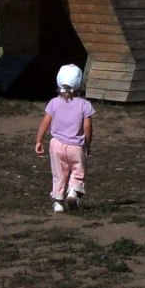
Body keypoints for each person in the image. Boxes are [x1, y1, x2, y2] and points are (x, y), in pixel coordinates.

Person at [33, 63, 94, 212]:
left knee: (59, 173)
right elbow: (87, 127)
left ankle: (58, 202)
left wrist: (39, 140)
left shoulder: (53, 103)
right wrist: (88, 143)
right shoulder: (84, 105)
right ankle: (73, 191)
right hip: (76, 146)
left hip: (56, 144)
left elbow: (45, 122)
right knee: (78, 170)